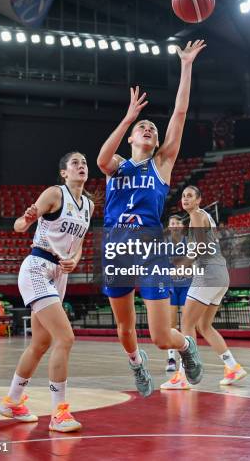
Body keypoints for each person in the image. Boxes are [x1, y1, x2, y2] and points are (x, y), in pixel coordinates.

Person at [97, 40, 206, 397]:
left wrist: (187, 65)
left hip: (148, 248)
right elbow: (101, 159)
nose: (149, 130)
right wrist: (129, 116)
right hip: (116, 248)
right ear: (131, 136)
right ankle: (135, 363)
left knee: (162, 337)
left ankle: (186, 347)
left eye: (152, 130)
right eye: (142, 128)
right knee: (125, 328)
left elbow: (179, 113)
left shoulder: (161, 165)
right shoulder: (116, 166)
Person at [0, 151, 94, 432]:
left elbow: (77, 247)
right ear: (64, 172)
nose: (81, 166)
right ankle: (59, 413)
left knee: (40, 344)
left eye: (84, 162)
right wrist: (26, 219)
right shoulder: (54, 193)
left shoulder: (88, 205)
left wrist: (73, 262)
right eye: (75, 163)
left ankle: (12, 401)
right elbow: (19, 226)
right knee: (65, 338)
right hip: (37, 268)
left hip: (58, 275)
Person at [162, 185, 247, 389]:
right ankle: (232, 366)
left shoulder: (198, 216)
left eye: (190, 196)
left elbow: (200, 247)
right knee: (204, 326)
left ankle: (183, 375)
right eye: (183, 196)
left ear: (199, 200)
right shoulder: (202, 217)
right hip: (221, 274)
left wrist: (181, 267)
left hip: (208, 274)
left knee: (187, 325)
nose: (185, 199)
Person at [165, 214, 192, 373]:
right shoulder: (164, 244)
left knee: (187, 323)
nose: (175, 225)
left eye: (177, 223)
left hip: (187, 284)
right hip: (171, 286)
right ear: (169, 227)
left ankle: (186, 357)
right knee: (171, 324)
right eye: (172, 223)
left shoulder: (188, 242)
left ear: (181, 226)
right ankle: (171, 358)